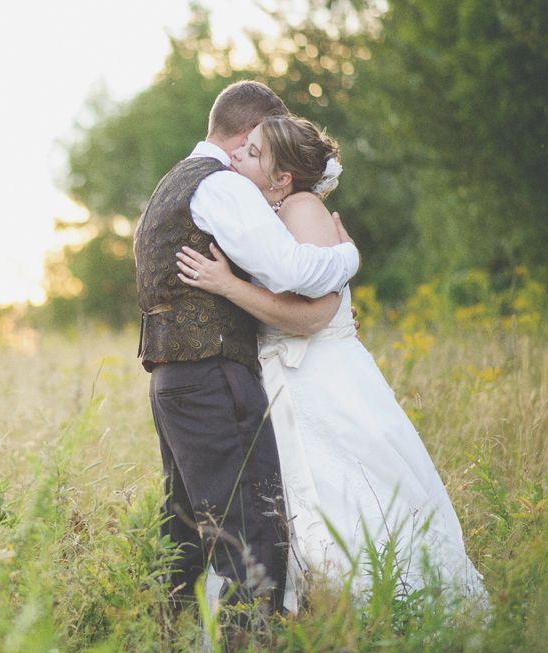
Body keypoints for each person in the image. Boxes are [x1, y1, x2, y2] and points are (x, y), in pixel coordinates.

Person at [175, 114, 487, 612]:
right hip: (287, 376)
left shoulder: (301, 208)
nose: (237, 156)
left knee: (351, 493)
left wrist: (227, 285)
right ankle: (320, 615)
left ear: (282, 179)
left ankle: (386, 607)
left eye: (253, 153)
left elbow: (313, 315)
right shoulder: (268, 213)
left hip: (319, 380)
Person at [133, 81, 361, 623]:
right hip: (212, 374)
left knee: (184, 530)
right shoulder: (222, 186)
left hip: (172, 378)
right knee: (250, 528)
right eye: (255, 145)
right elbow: (293, 272)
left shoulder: (172, 184)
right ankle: (250, 650)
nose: (248, 157)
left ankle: (174, 644)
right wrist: (349, 256)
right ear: (245, 132)